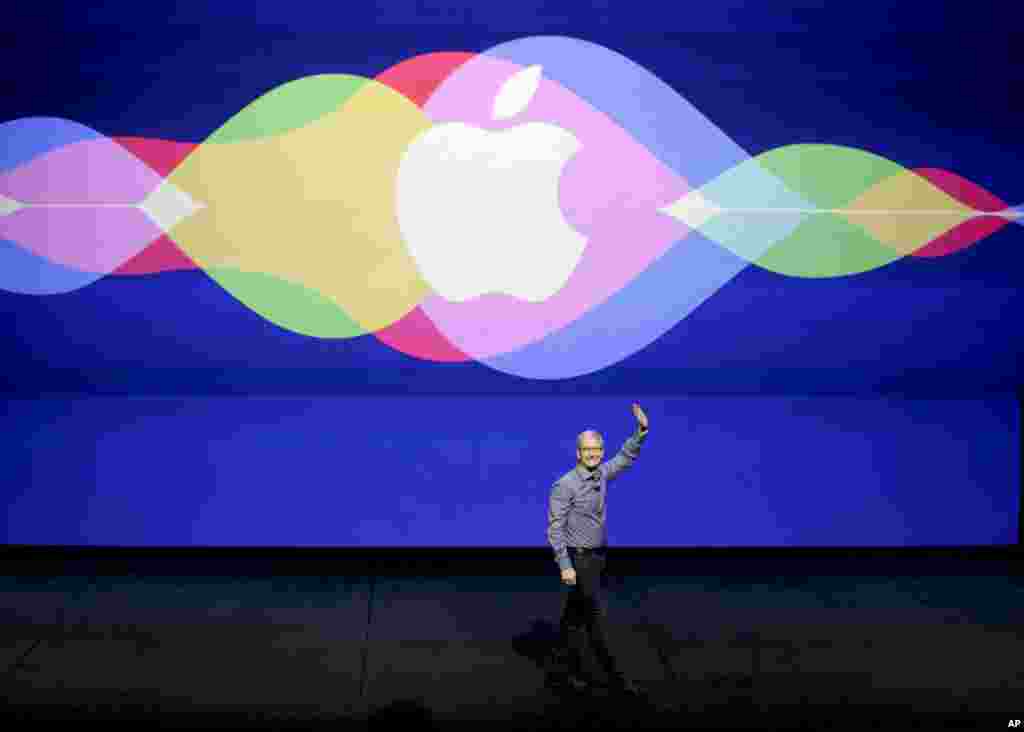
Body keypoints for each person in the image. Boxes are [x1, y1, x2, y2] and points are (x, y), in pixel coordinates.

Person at [546, 403, 649, 696]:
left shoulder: (601, 474)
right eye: (588, 450)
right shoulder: (564, 485)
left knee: (573, 620)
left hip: (598, 557)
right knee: (595, 620)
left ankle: (559, 671)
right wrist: (565, 564)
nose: (593, 454)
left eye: (597, 450)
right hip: (579, 560)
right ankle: (617, 681)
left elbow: (625, 458)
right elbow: (555, 529)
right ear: (578, 452)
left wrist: (640, 432)